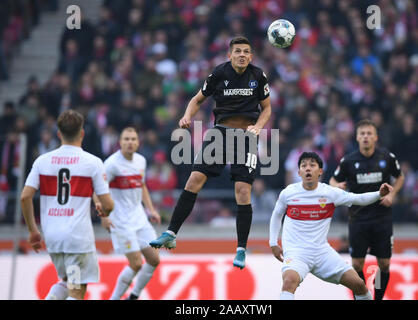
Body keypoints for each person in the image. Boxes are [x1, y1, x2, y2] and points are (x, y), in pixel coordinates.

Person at [150, 36, 272, 269]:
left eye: (246, 51)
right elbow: (197, 100)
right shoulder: (219, 74)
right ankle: (171, 233)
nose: (242, 55)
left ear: (251, 56)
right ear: (230, 55)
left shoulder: (258, 76)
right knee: (194, 179)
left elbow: (267, 108)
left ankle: (241, 249)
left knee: (242, 190)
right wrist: (187, 115)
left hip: (246, 136)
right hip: (220, 134)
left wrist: (258, 127)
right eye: (238, 51)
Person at [270, 152, 393, 300]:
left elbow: (357, 199)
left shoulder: (329, 193)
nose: (307, 168)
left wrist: (379, 194)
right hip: (296, 253)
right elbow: (276, 215)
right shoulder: (288, 193)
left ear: (320, 171)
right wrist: (273, 242)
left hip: (322, 252)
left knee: (359, 284)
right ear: (299, 172)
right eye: (304, 166)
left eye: (312, 165)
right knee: (289, 281)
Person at [20, 110, 114, 300]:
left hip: (53, 236)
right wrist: (104, 209)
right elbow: (108, 204)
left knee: (65, 280)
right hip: (77, 238)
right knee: (77, 290)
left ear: (58, 134)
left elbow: (25, 197)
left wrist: (33, 231)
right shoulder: (93, 162)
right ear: (82, 133)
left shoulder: (42, 161)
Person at [329, 119, 404, 300]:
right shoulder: (348, 161)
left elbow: (400, 177)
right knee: (356, 265)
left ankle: (377, 297)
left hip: (381, 218)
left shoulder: (387, 158)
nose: (365, 137)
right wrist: (337, 187)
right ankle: (363, 297)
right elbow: (332, 180)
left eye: (369, 133)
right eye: (362, 133)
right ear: (357, 137)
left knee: (384, 264)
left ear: (375, 137)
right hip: (358, 218)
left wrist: (392, 196)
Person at [98, 127, 162, 300]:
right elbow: (97, 190)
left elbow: (142, 186)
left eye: (133, 139)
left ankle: (133, 295)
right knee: (135, 264)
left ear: (138, 142)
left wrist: (151, 210)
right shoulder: (111, 164)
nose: (130, 142)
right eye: (126, 139)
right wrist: (103, 216)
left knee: (154, 260)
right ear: (119, 142)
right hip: (121, 221)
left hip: (139, 218)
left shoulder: (140, 161)